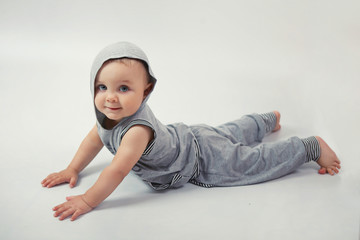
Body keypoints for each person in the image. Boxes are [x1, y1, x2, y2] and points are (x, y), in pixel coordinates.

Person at [41, 41, 341, 221]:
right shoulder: (107, 116)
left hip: (200, 159)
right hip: (189, 136)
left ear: (146, 90)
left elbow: (117, 171)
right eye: (102, 87)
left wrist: (88, 199)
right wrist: (72, 168)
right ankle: (265, 120)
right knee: (229, 132)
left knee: (248, 163)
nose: (110, 97)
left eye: (123, 88)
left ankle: (309, 147)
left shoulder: (135, 131)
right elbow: (92, 141)